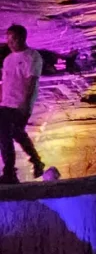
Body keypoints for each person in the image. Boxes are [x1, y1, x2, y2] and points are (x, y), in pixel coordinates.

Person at [0, 24, 45, 183]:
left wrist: (25, 104)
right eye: (8, 40)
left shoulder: (32, 56)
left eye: (13, 40)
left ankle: (11, 172)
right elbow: (5, 82)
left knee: (10, 134)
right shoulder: (8, 60)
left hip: (20, 104)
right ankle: (34, 161)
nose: (10, 43)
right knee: (13, 134)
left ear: (22, 38)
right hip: (6, 103)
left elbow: (32, 81)